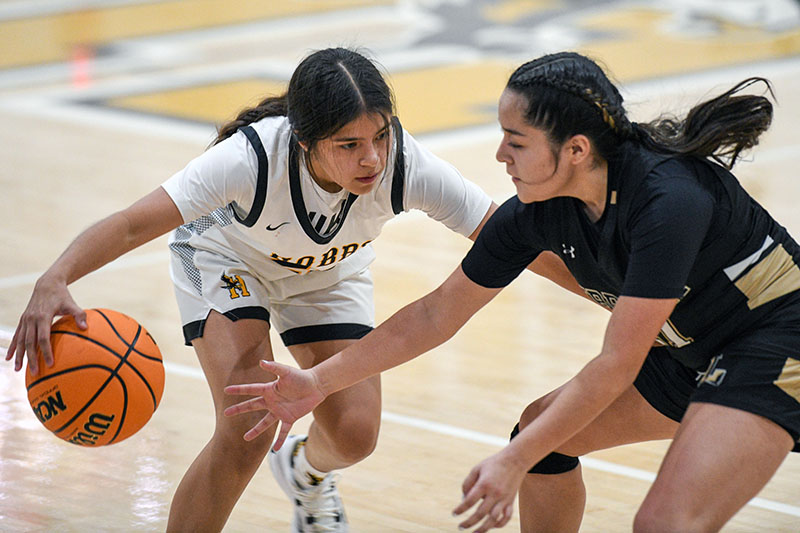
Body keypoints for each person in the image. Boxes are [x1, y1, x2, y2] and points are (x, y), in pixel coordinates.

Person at [4, 47, 582, 533]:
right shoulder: (250, 160)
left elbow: (514, 237)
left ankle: (304, 471)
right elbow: (134, 222)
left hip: (327, 271)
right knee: (246, 423)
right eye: (349, 144)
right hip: (227, 258)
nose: (373, 158)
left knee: (355, 436)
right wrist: (55, 278)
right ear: (304, 141)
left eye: (380, 136)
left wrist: (617, 299)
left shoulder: (406, 166)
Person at [223, 51, 800, 533]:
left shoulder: (667, 200)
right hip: (694, 355)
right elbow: (434, 314)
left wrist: (511, 463)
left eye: (515, 141)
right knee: (544, 437)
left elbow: (618, 363)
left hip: (776, 338)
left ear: (575, 150)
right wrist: (317, 383)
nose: (500, 155)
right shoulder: (535, 214)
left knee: (665, 522)